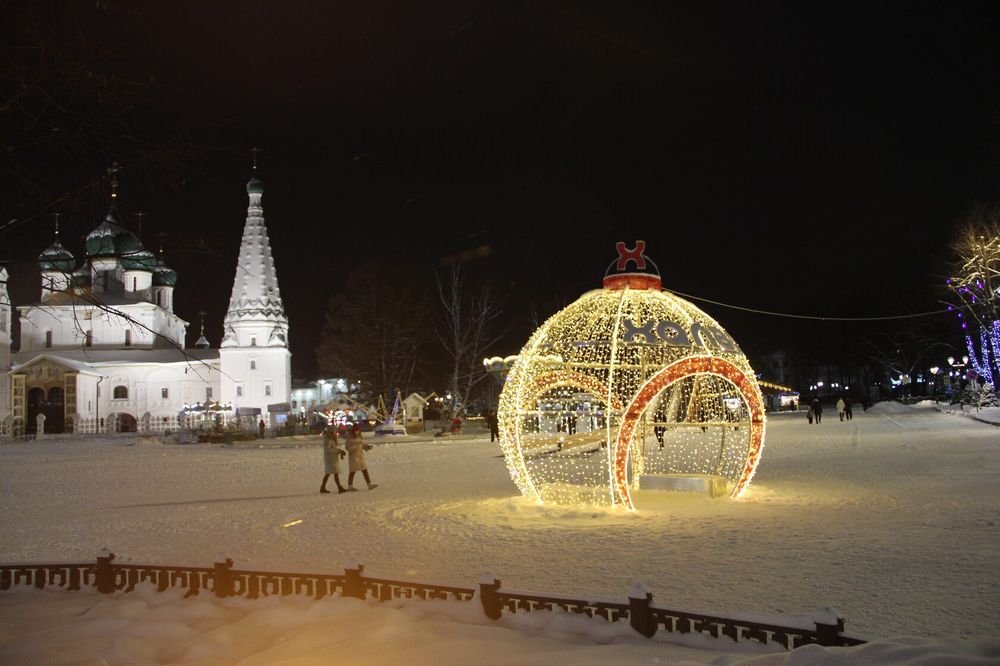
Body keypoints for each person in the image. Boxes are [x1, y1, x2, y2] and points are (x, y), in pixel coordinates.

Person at [346, 422, 377, 491]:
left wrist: (367, 447)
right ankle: (350, 486)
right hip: (353, 457)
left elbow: (361, 445)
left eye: (358, 430)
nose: (357, 432)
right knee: (352, 471)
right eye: (356, 431)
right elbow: (347, 448)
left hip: (360, 456)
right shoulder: (350, 438)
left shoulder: (360, 436)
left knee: (364, 470)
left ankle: (369, 484)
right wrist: (355, 447)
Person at [320, 423, 347, 494]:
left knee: (329, 473)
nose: (335, 433)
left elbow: (332, 449)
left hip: (332, 459)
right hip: (330, 460)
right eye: (334, 431)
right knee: (335, 473)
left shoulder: (330, 439)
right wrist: (338, 451)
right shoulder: (328, 440)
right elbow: (329, 450)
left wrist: (338, 451)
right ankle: (339, 488)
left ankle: (323, 487)